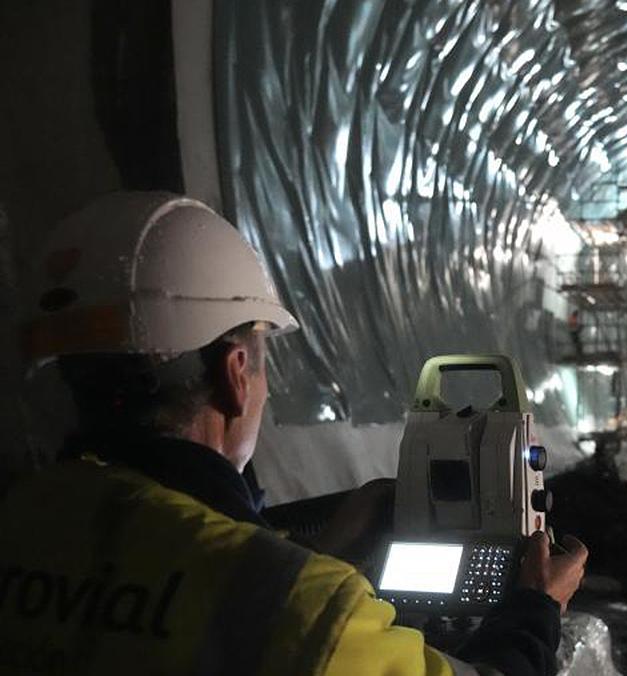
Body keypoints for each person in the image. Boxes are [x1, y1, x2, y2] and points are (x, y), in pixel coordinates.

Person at [0, 192, 587, 675]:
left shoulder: (19, 518)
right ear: (235, 374)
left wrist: (320, 553)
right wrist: (537, 608)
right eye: (261, 361)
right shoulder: (301, 608)